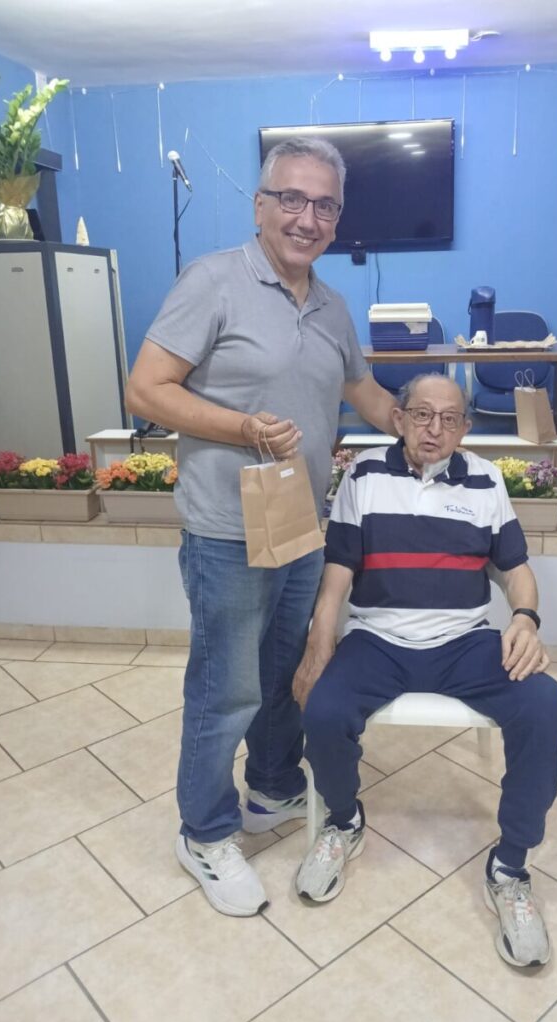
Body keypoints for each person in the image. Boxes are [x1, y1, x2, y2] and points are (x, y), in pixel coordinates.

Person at [126, 137, 396, 917]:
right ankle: (204, 832)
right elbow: (146, 389)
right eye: (292, 199)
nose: (307, 218)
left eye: (324, 205)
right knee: (227, 686)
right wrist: (242, 428)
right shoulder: (213, 280)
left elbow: (361, 389)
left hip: (300, 524)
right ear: (260, 204)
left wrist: (417, 425)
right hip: (225, 530)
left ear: (338, 218)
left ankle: (273, 787)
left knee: (283, 674)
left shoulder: (331, 305)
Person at [292, 373, 557, 968]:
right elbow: (338, 572)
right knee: (324, 709)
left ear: (465, 427)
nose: (433, 429)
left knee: (545, 705)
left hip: (464, 642)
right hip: (377, 640)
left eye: (449, 418)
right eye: (421, 414)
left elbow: (516, 570)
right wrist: (320, 642)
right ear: (399, 419)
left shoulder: (486, 480)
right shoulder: (364, 475)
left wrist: (525, 619)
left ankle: (510, 867)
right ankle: (344, 821)